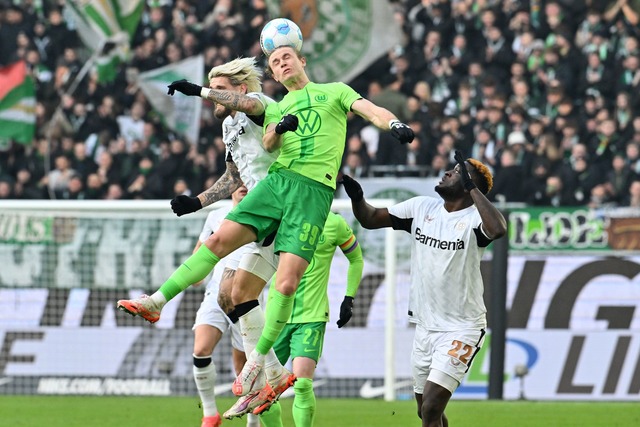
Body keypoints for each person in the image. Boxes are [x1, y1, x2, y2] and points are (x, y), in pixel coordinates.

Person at [118, 41, 414, 415]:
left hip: (310, 194)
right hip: (273, 187)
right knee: (229, 275)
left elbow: (364, 109)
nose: (281, 62)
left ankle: (260, 365)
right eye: (275, 60)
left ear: (301, 60)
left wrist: (393, 124)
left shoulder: (315, 95)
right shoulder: (259, 114)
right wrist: (198, 201)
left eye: (287, 56)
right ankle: (157, 303)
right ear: (273, 72)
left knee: (278, 285)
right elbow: (245, 162)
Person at [118, 57, 291, 418]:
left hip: (278, 202)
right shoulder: (230, 128)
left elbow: (249, 104)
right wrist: (197, 201)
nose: (215, 100)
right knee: (231, 296)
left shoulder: (261, 106)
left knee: (213, 247)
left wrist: (198, 89)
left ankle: (157, 302)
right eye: (212, 93)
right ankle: (274, 374)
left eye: (221, 91)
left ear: (241, 88)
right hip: (261, 210)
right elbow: (234, 176)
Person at [341, 150, 507, 427]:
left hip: (462, 328)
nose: (447, 172)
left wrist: (473, 188)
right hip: (425, 327)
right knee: (427, 412)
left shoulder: (475, 220)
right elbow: (370, 219)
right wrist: (358, 198)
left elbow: (499, 229)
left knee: (430, 406)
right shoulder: (421, 208)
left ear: (469, 185)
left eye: (456, 171)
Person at [259, 211, 363, 427]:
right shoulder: (283, 216)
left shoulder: (335, 223)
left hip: (312, 315)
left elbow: (356, 258)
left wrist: (349, 297)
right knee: (264, 389)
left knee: (303, 384)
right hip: (275, 316)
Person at [190, 185, 260, 427]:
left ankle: (253, 421)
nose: (243, 185)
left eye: (247, 180)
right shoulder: (216, 216)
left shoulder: (263, 216)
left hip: (246, 299)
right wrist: (192, 274)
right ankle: (210, 414)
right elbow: (200, 254)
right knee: (201, 348)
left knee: (243, 367)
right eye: (237, 180)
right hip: (214, 294)